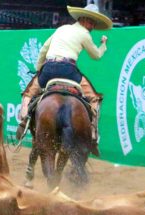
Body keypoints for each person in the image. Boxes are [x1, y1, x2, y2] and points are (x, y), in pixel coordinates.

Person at [17, 3, 112, 146]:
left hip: (48, 69)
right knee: (94, 98)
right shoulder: (85, 34)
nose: (92, 25)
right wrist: (103, 44)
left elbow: (43, 49)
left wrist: (39, 70)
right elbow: (96, 55)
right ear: (84, 19)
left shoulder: (61, 28)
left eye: (94, 23)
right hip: (69, 70)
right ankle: (93, 132)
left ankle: (24, 119)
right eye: (91, 21)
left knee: (28, 94)